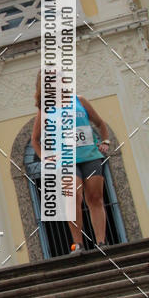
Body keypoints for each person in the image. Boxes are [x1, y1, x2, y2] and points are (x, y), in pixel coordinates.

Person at [31, 71, 111, 252]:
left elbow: (100, 123)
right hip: (66, 161)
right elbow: (35, 140)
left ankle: (101, 243)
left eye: (58, 78)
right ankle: (78, 244)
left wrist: (105, 141)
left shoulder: (79, 100)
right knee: (73, 196)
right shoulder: (45, 110)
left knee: (95, 198)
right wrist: (45, 157)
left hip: (90, 156)